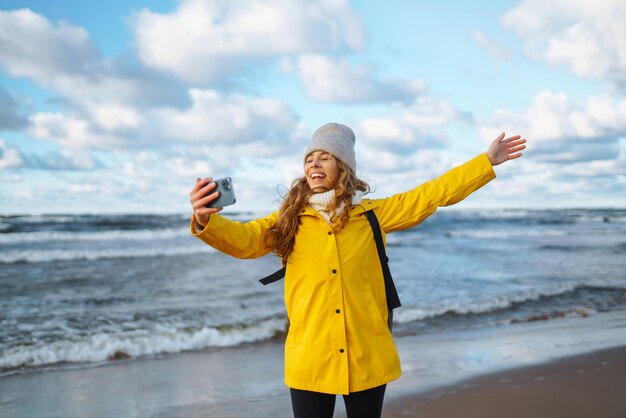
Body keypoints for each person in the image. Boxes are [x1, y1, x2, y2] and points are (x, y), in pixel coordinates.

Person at [189, 123, 526, 418]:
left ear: (343, 167)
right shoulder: (287, 221)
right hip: (310, 356)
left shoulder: (373, 215)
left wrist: (485, 163)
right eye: (309, 159)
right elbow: (245, 240)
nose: (314, 164)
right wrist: (207, 220)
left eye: (324, 157)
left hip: (367, 354)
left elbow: (431, 195)